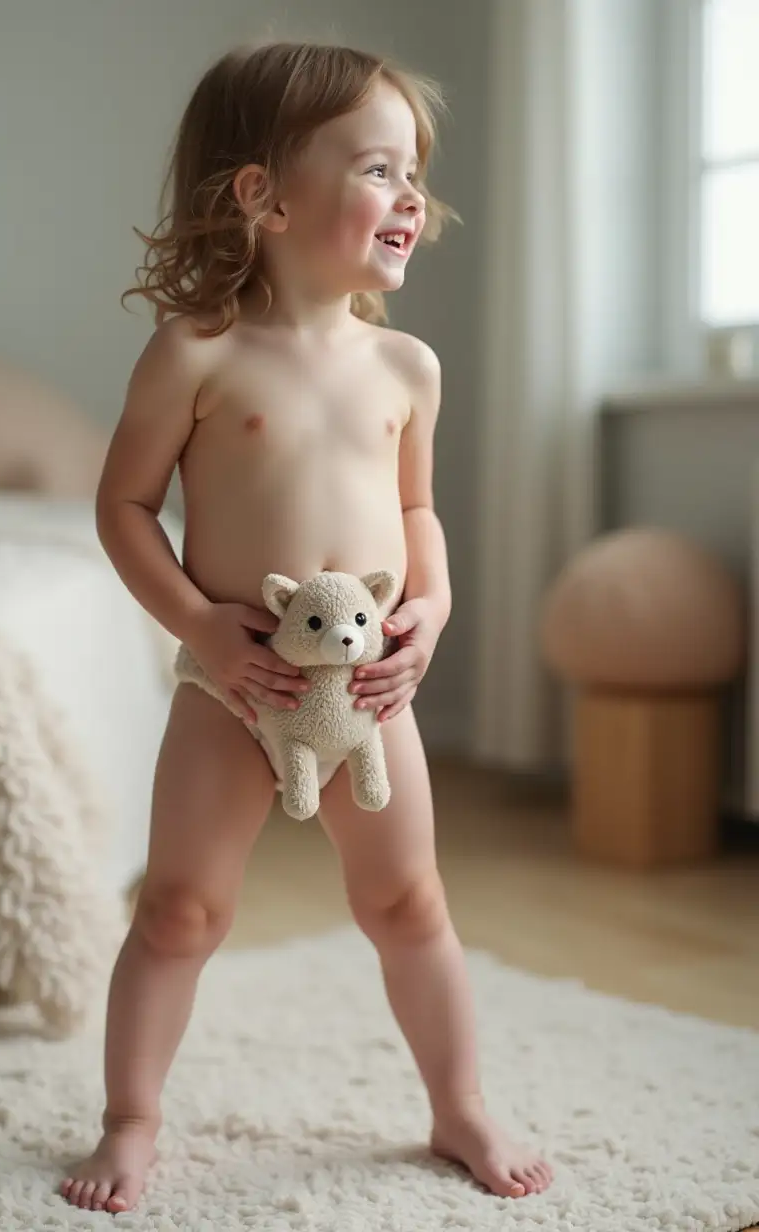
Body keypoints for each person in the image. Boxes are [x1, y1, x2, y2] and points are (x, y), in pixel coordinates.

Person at [61, 40, 553, 1215]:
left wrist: (427, 610)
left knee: (408, 901)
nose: (410, 196)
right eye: (378, 167)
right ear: (264, 197)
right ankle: (131, 1119)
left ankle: (458, 1103)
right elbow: (123, 505)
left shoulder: (406, 366)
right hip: (234, 690)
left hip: (374, 695)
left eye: (413, 173)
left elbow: (418, 510)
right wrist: (205, 631)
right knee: (182, 907)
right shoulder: (198, 350)